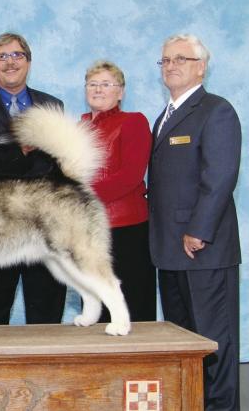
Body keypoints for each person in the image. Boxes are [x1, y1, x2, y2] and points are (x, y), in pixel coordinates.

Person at [149, 34, 241, 411]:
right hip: (169, 250)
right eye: (166, 60)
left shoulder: (216, 110)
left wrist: (198, 231)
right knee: (186, 343)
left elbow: (219, 177)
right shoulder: (165, 115)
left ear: (201, 66)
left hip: (202, 249)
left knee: (213, 341)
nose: (172, 65)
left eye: (181, 59)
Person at [0, 32, 67, 325]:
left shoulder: (52, 105)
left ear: (28, 62)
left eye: (17, 55)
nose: (10, 62)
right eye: (1, 56)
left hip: (43, 226)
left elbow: (58, 164)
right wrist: (18, 151)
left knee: (47, 309)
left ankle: (46, 370)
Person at [80, 60, 155, 323]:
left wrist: (80, 198)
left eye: (106, 84)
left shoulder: (133, 122)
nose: (98, 89)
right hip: (87, 231)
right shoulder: (79, 127)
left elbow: (130, 177)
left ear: (121, 92)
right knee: (95, 307)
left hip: (125, 230)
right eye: (92, 84)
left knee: (130, 307)